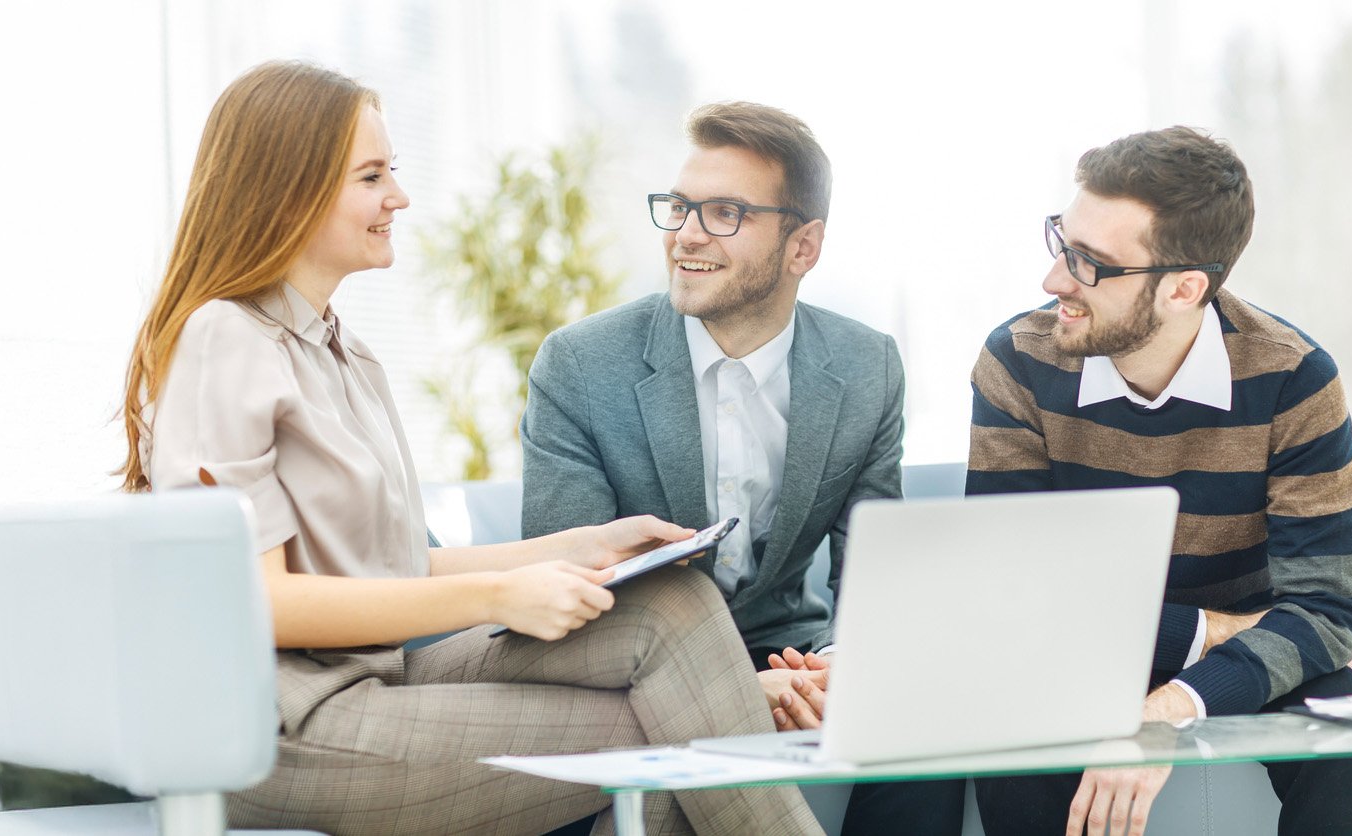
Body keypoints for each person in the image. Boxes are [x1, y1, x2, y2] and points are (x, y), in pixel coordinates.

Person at [119, 60, 824, 836]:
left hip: (373, 675)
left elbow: (383, 568)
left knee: (670, 603)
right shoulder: (225, 338)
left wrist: (584, 546)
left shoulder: (341, 351)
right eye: (372, 176)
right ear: (292, 187)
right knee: (677, 719)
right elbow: (252, 602)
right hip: (275, 730)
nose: (399, 196)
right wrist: (498, 596)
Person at [520, 102, 958, 834]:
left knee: (926, 719)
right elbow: (569, 594)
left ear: (802, 246)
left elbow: (874, 565)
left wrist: (843, 666)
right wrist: (727, 693)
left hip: (787, 647)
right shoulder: (579, 364)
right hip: (627, 663)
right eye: (680, 208)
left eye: (724, 213)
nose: (686, 235)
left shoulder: (866, 365)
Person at [966, 127, 1352, 836]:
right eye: (1060, 243)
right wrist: (1202, 634)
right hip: (1072, 655)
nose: (1053, 281)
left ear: (1184, 287)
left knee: (1340, 727)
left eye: (1089, 264)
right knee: (1014, 721)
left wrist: (1171, 705)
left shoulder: (1292, 378)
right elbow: (1010, 596)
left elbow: (1324, 614)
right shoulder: (1017, 362)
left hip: (1245, 662)